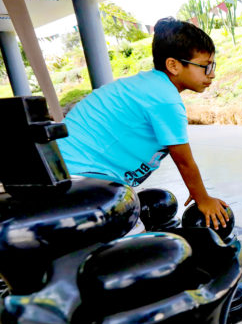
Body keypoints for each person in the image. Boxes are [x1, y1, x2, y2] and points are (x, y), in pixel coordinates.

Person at [57, 17, 229, 229]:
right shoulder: (165, 99)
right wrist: (204, 200)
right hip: (80, 178)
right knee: (133, 231)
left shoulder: (149, 85)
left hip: (65, 171)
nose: (212, 74)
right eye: (205, 66)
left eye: (213, 65)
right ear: (173, 65)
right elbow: (184, 160)